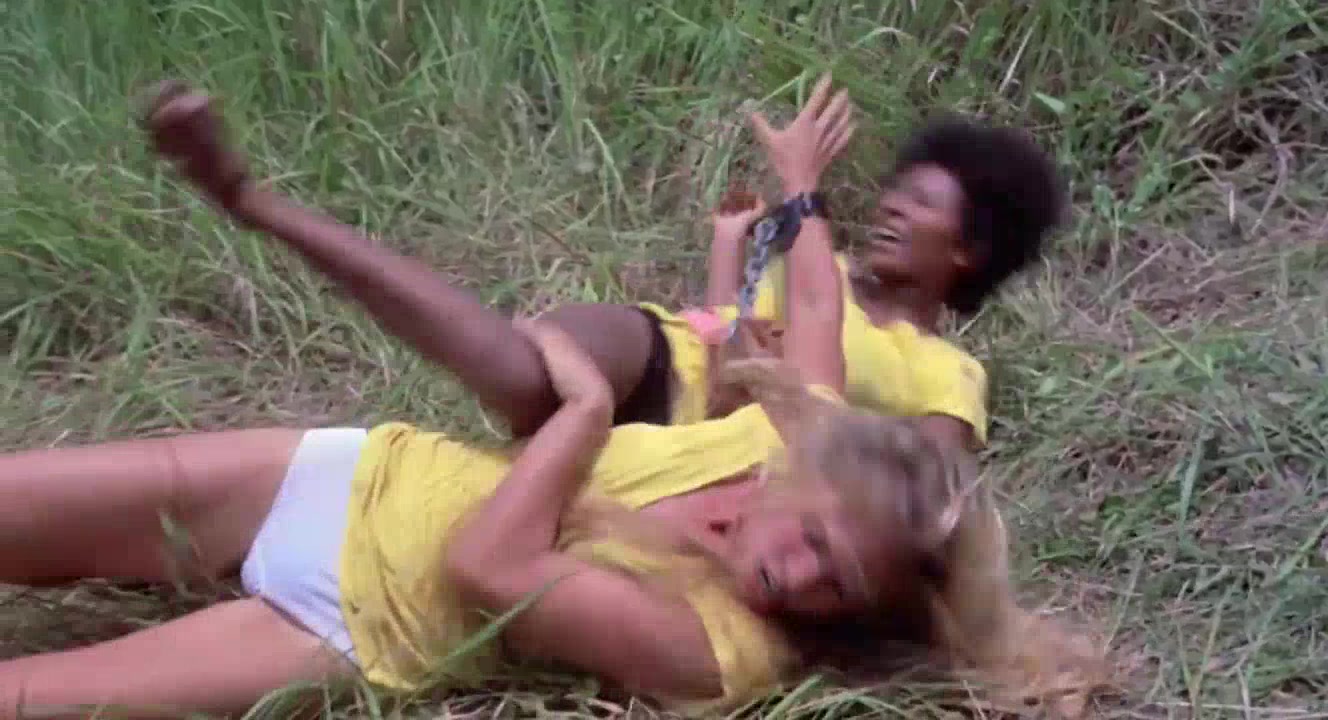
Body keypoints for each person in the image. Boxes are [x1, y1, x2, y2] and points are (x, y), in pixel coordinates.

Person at [0, 75, 1100, 719]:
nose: (798, 577)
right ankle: (256, 203)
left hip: (344, 626)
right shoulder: (775, 433)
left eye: (836, 588)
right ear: (799, 474)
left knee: (29, 696)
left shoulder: (726, 652)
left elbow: (488, 567)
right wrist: (794, 195)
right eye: (814, 539)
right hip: (351, 472)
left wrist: (581, 419)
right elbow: (813, 307)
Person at [138, 76, 1064, 456]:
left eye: (922, 204)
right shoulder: (811, 263)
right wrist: (729, 257)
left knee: (550, 407)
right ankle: (255, 202)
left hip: (715, 459)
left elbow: (928, 488)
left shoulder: (947, 371)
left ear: (970, 249)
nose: (893, 207)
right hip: (667, 366)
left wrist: (800, 193)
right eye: (895, 192)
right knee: (532, 362)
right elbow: (720, 339)